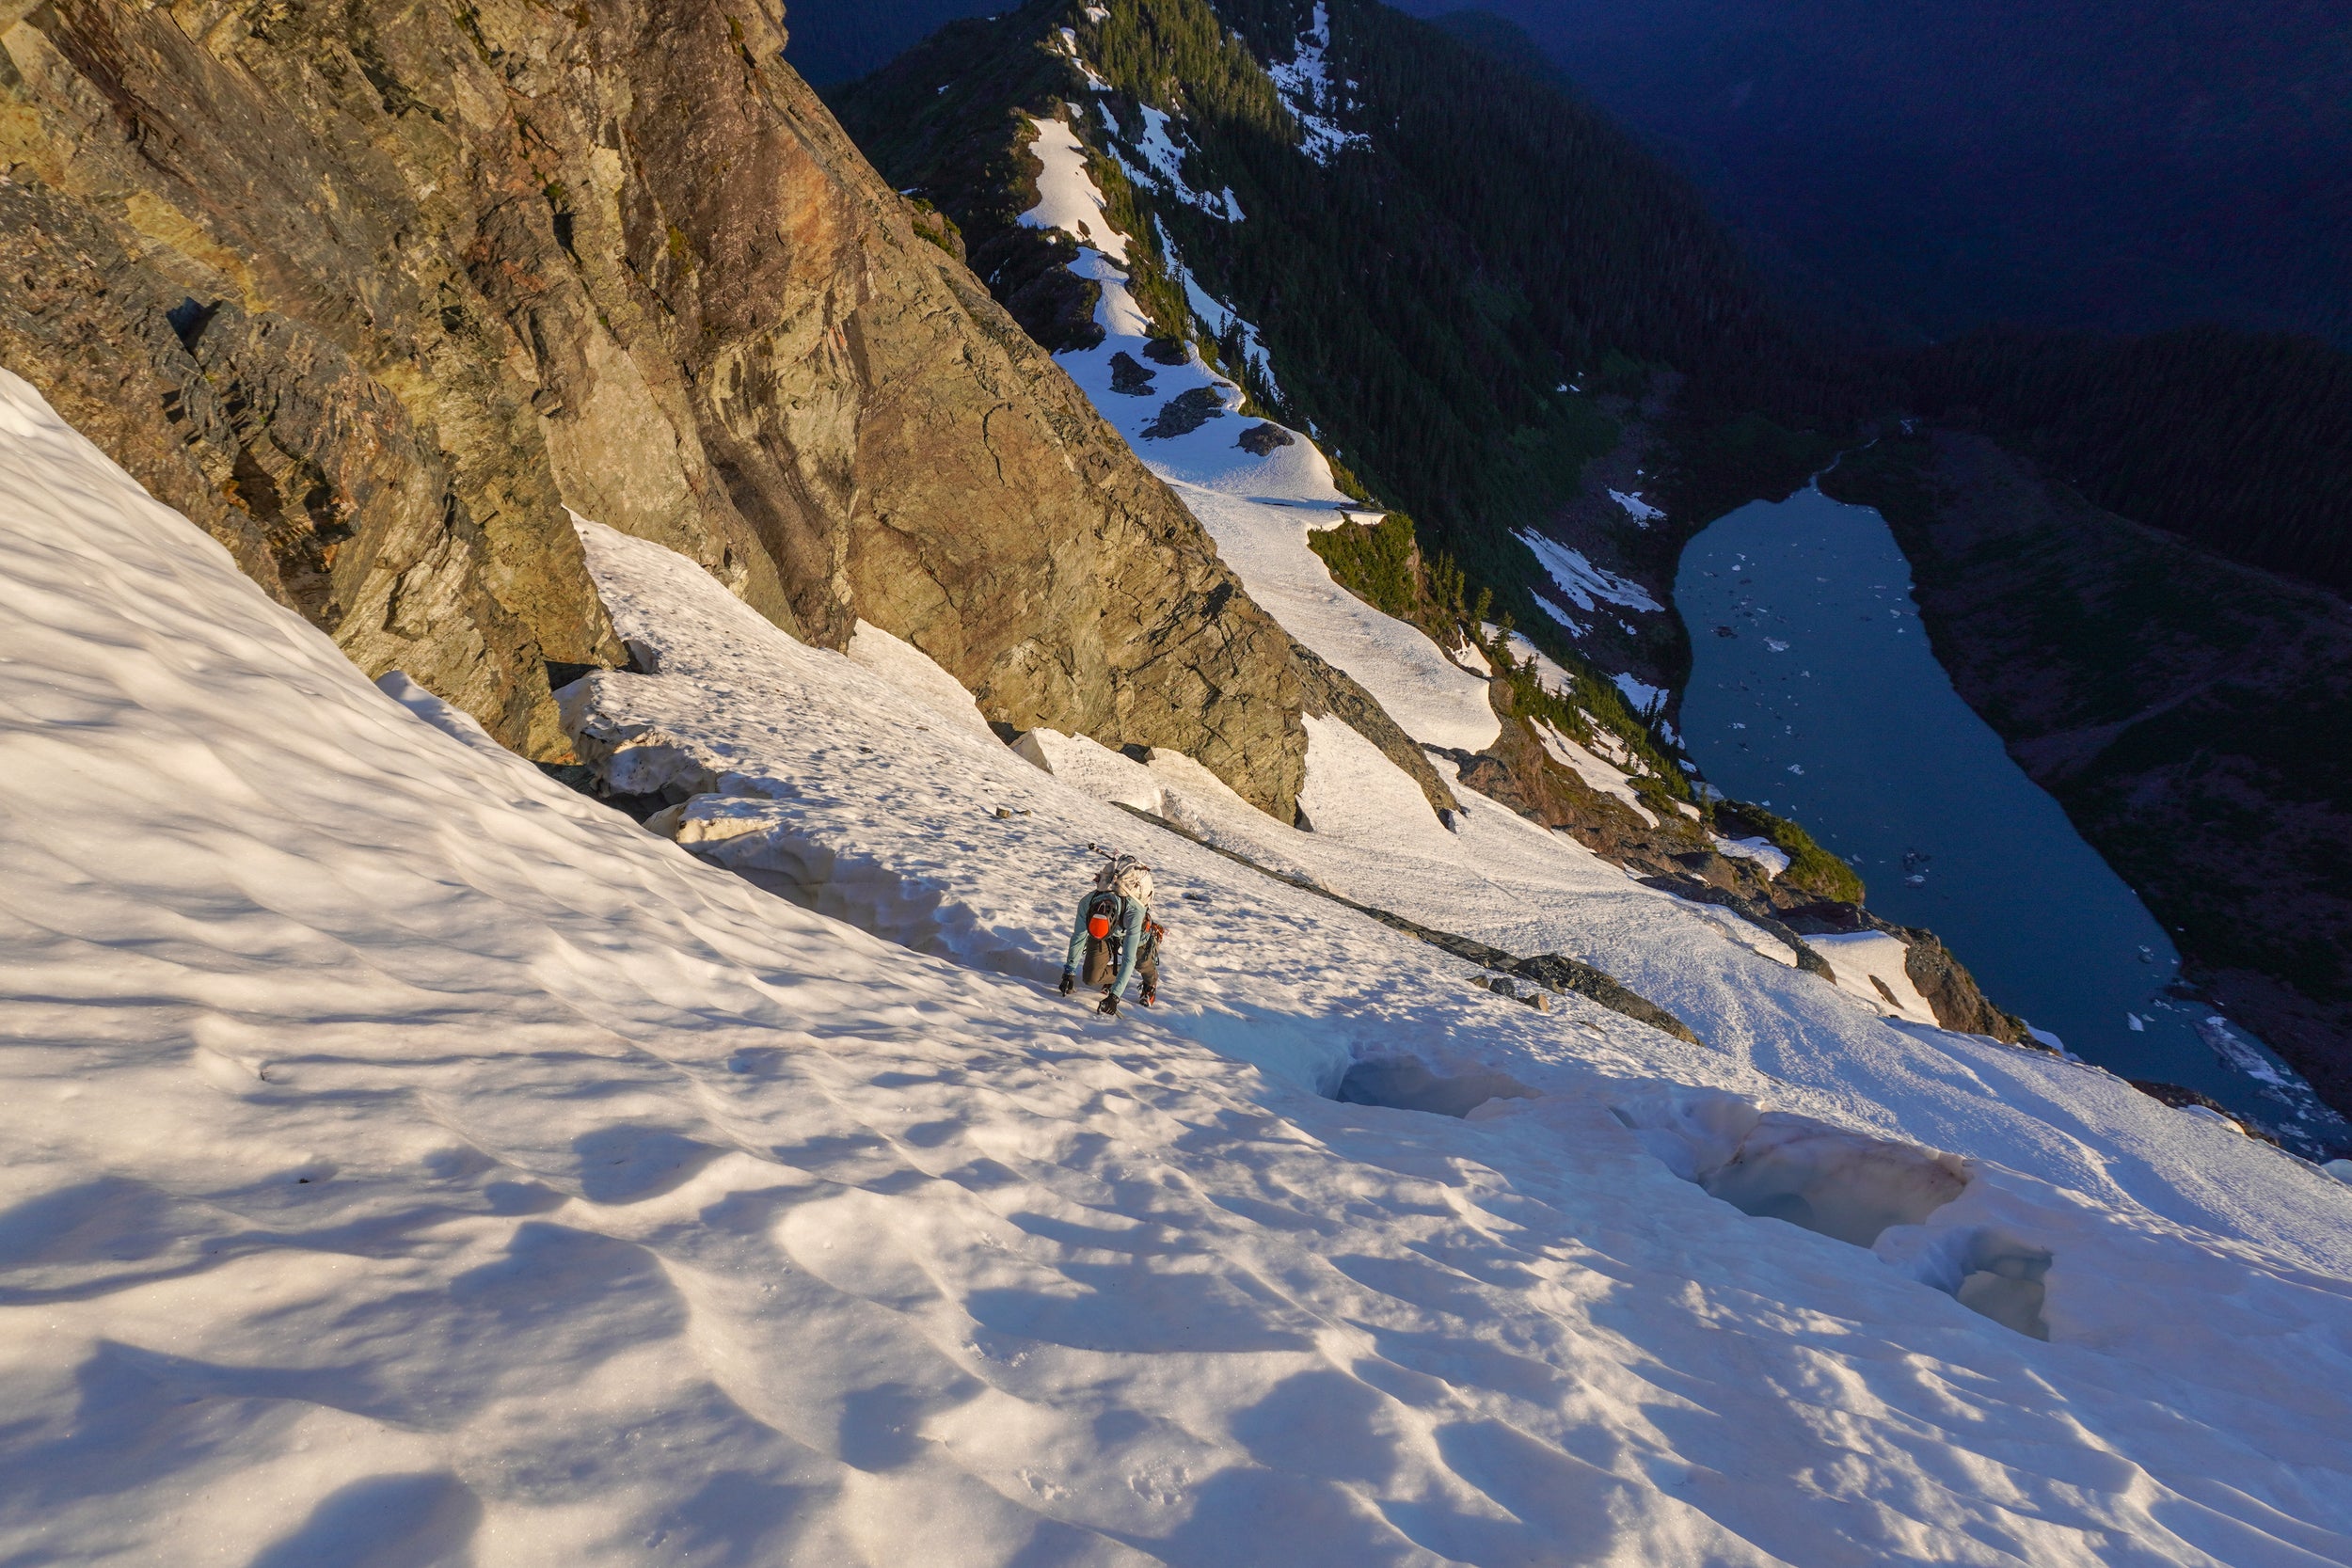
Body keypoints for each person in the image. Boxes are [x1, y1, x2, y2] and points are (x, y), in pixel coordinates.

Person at [1058, 851, 1154, 1016]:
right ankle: (1115, 979)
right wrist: (1069, 973)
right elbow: (1078, 938)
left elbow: (1128, 959)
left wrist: (1114, 997)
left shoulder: (1134, 914)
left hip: (1132, 931)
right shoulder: (1087, 903)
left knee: (1140, 962)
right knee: (1091, 978)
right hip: (1103, 934)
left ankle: (1150, 983)